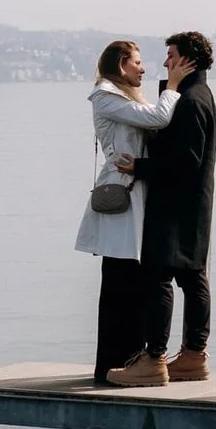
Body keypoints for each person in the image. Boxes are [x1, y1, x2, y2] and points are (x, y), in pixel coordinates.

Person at [107, 31, 216, 387]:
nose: (166, 61)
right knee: (192, 275)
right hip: (193, 203)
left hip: (174, 204)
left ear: (188, 61)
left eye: (171, 55)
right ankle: (192, 356)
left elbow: (184, 161)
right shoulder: (198, 95)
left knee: (158, 277)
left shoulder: (189, 101)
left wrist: (138, 167)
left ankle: (154, 359)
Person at [78, 39, 179, 383]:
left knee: (130, 281)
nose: (144, 68)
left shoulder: (124, 97)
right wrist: (175, 87)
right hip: (122, 201)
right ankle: (113, 363)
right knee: (121, 281)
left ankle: (125, 360)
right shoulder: (106, 97)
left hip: (136, 197)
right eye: (137, 62)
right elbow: (159, 118)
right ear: (121, 64)